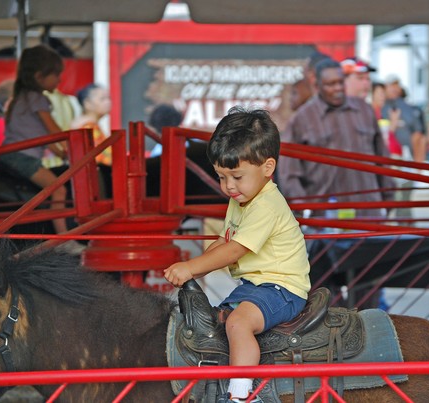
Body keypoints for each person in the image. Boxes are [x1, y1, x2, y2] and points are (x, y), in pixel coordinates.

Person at [164, 107, 310, 403]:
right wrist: (197, 270)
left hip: (282, 288)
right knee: (217, 321)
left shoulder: (266, 205)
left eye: (236, 176)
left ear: (267, 168)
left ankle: (241, 396)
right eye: (221, 177)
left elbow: (235, 249)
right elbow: (224, 239)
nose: (229, 186)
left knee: (238, 323)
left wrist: (191, 267)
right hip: (255, 286)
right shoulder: (242, 198)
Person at [280, 58, 393, 308]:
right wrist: (305, 210)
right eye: (330, 84)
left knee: (369, 286)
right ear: (317, 85)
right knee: (324, 289)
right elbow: (288, 172)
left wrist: (388, 199)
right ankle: (338, 340)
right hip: (325, 220)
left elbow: (381, 158)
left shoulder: (364, 110)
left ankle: (369, 337)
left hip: (367, 214)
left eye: (340, 82)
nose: (338, 88)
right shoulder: (302, 119)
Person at [0, 44, 82, 253]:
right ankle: (63, 240)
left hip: (13, 155)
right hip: (21, 158)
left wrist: (62, 153)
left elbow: (45, 138)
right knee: (59, 189)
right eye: (56, 75)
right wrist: (69, 141)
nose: (59, 80)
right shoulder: (37, 98)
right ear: (39, 76)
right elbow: (53, 131)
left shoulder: (23, 97)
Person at [381, 75, 426, 163]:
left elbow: (419, 135)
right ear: (385, 88)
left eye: (396, 85)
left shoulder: (409, 108)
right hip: (386, 156)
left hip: (407, 157)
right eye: (391, 85)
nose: (394, 88)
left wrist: (418, 164)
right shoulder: (379, 106)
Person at [71, 83, 112, 165]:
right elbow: (101, 160)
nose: (108, 102)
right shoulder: (87, 127)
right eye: (102, 99)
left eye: (108, 98)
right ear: (87, 103)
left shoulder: (89, 124)